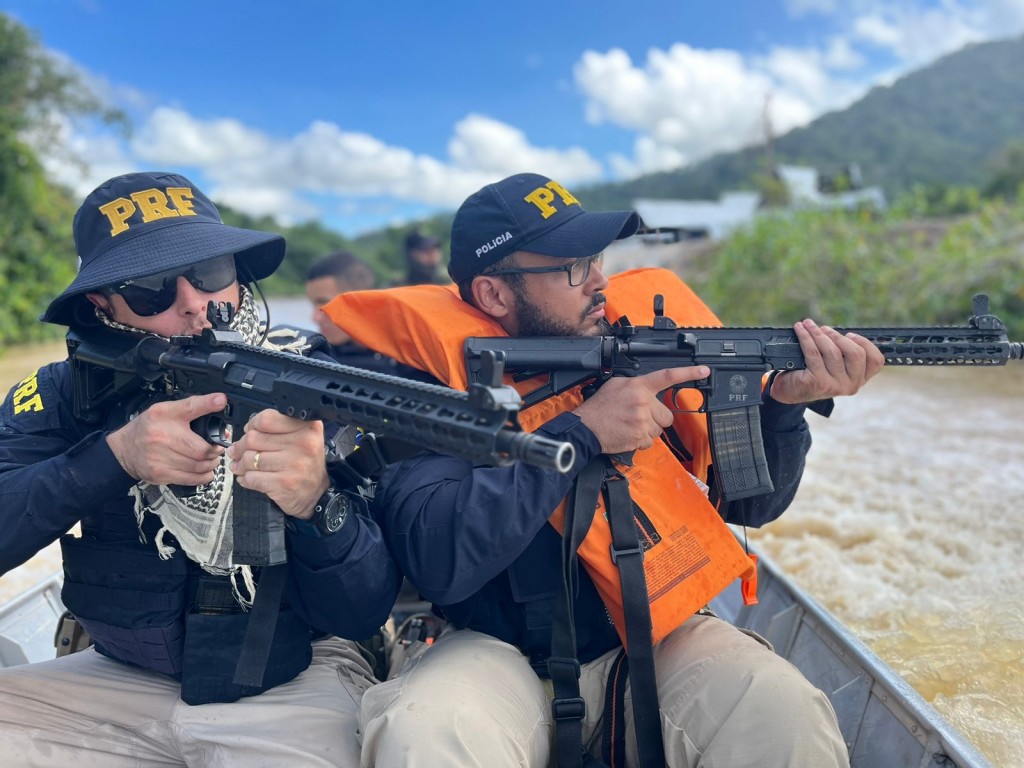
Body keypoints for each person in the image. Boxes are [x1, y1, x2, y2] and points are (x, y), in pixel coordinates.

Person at [339, 173, 884, 767]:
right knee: (424, 732)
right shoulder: (426, 385)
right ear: (494, 294)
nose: (599, 280)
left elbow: (750, 507)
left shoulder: (643, 352)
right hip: (492, 651)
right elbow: (436, 559)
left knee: (780, 708)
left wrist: (783, 407)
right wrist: (581, 433)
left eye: (594, 258)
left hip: (657, 638)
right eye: (571, 267)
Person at [0, 171, 400, 767]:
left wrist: (319, 502)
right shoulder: (61, 393)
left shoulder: (308, 375)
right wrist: (114, 457)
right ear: (101, 306)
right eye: (152, 290)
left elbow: (362, 611)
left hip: (297, 678)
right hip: (112, 677)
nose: (193, 303)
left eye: (211, 273)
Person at [305, 250, 402, 374]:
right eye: (313, 305)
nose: (315, 318)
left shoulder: (413, 364)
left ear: (361, 301)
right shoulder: (313, 360)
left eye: (325, 304)